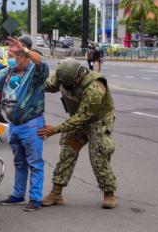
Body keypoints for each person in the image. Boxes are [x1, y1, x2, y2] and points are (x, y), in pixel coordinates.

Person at [0, 36, 49, 211]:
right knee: (19, 161)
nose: (11, 59)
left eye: (14, 55)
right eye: (10, 55)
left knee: (34, 162)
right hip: (14, 124)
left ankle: (35, 198)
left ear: (24, 55)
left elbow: (40, 62)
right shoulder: (8, 71)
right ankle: (18, 194)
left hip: (31, 123)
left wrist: (26, 50)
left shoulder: (34, 71)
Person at [38, 58, 117, 209]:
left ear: (78, 77)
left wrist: (55, 129)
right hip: (78, 121)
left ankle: (109, 192)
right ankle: (56, 193)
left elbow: (83, 116)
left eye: (69, 85)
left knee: (99, 156)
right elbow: (48, 85)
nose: (67, 88)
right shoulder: (63, 77)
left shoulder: (95, 87)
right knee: (67, 153)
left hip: (98, 122)